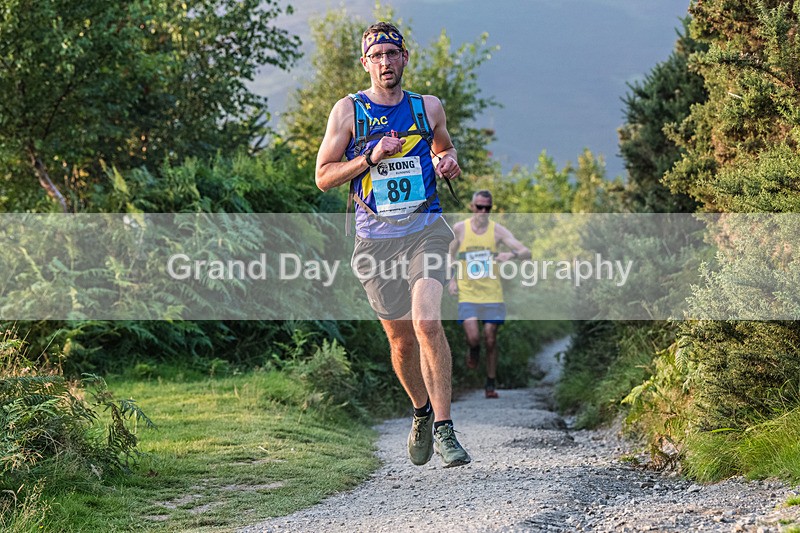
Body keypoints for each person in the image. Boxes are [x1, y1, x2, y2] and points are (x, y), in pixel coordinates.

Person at [315, 22, 470, 468]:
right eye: (377, 56)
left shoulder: (427, 107)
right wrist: (369, 157)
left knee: (427, 322)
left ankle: (445, 428)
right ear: (365, 63)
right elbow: (323, 176)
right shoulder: (349, 112)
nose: (385, 62)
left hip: (426, 230)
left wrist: (448, 162)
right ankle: (421, 412)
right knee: (401, 341)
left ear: (404, 58)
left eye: (392, 54)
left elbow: (445, 148)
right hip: (375, 242)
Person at [448, 190, 530, 398]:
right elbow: (449, 255)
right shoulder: (460, 229)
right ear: (472, 207)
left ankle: (490, 384)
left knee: (490, 338)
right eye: (479, 207)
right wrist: (452, 279)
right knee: (474, 337)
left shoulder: (497, 231)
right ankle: (474, 349)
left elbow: (526, 252)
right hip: (468, 293)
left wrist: (511, 254)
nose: (483, 211)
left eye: (487, 208)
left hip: (492, 294)